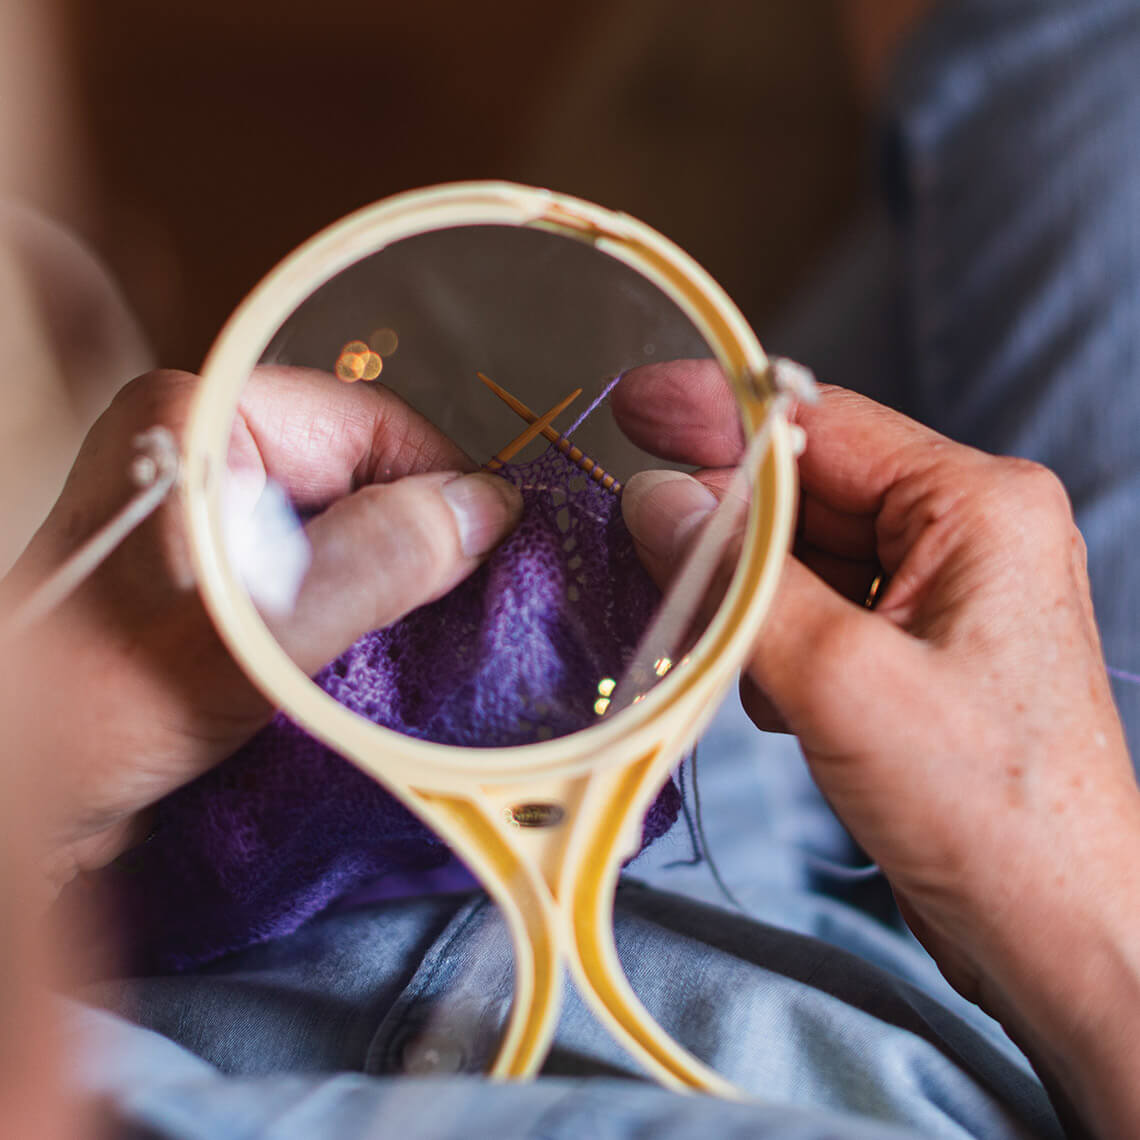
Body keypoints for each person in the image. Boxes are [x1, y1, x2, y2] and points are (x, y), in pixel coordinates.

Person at [5, 2, 1140, 1138]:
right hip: (970, 965)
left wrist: (34, 802)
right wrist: (1098, 952)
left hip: (778, 809)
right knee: (1063, 52)